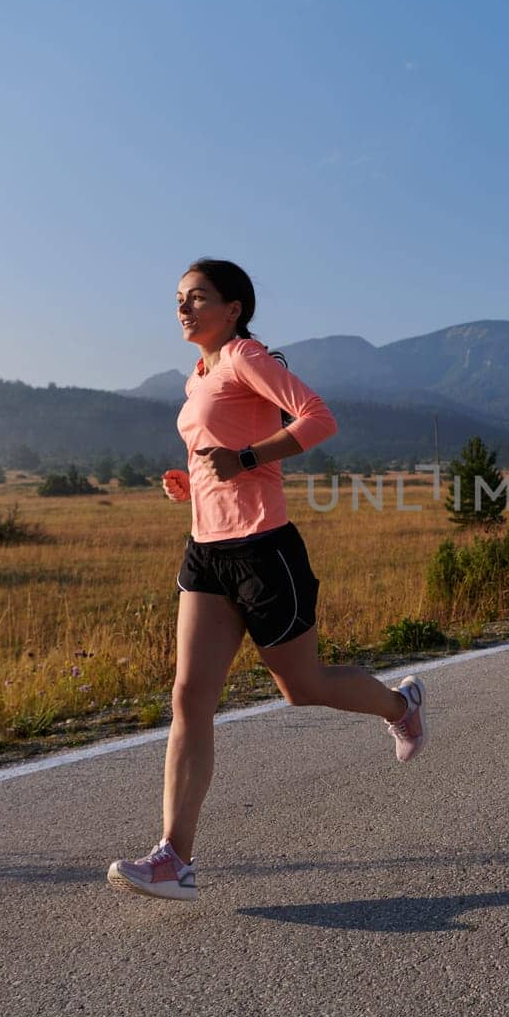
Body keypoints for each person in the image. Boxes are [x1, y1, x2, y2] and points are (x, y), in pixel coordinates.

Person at [108, 258, 427, 902]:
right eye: (178, 299)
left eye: (198, 298)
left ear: (234, 309)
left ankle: (402, 707)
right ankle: (175, 858)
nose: (183, 308)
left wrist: (247, 458)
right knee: (189, 697)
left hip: (263, 551)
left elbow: (318, 417)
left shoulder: (245, 356)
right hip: (207, 553)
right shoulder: (198, 374)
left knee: (300, 688)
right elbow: (214, 451)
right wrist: (190, 479)